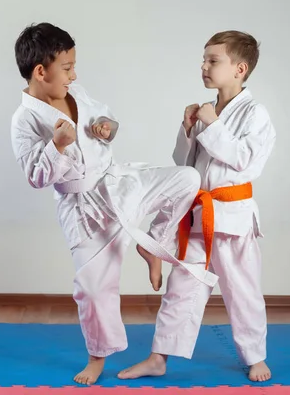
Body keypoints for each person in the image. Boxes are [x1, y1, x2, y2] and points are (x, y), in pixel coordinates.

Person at [10, 22, 218, 386]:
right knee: (93, 288)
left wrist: (107, 127)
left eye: (74, 66)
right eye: (67, 67)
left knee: (187, 179)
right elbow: (36, 177)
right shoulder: (23, 120)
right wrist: (56, 146)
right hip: (84, 209)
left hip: (119, 185)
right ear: (41, 72)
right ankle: (97, 356)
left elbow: (107, 122)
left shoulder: (78, 93)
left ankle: (152, 245)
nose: (74, 75)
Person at [118, 30, 276, 383]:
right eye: (203, 60)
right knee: (181, 290)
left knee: (242, 291)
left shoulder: (255, 113)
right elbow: (184, 165)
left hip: (233, 218)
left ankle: (255, 357)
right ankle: (159, 357)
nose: (204, 67)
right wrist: (189, 128)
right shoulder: (209, 110)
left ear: (240, 68)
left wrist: (213, 124)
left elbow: (246, 163)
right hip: (200, 217)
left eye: (213, 60)